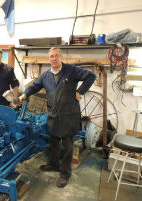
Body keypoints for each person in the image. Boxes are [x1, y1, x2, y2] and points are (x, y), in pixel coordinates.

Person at [19, 47, 96, 188]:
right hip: (53, 114)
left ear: (61, 57)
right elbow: (35, 86)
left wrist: (80, 91)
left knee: (67, 146)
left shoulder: (71, 70)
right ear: (49, 59)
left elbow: (91, 76)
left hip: (69, 114)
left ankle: (65, 174)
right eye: (51, 56)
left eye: (56, 56)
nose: (54, 59)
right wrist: (25, 94)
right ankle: (54, 165)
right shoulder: (46, 75)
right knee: (54, 141)